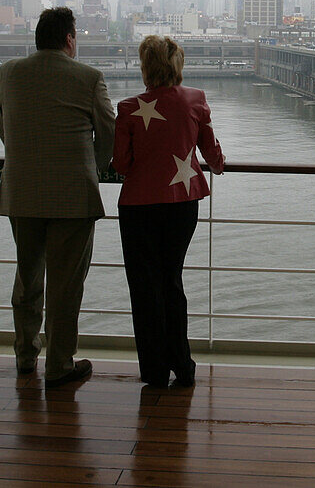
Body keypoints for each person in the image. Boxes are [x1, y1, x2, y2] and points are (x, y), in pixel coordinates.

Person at [0, 7, 116, 388]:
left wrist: (24, 159)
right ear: (69, 39)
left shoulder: (9, 72)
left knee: (27, 279)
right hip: (73, 198)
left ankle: (25, 356)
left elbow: (2, 125)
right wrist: (93, 168)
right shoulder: (89, 78)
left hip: (22, 193)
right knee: (65, 286)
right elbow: (109, 133)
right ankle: (60, 364)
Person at [113, 35, 225, 387]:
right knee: (172, 281)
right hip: (182, 204)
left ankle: (155, 371)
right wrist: (218, 166)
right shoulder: (195, 100)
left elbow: (121, 164)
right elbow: (212, 155)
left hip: (138, 209)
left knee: (145, 289)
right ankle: (183, 365)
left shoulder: (129, 108)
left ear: (145, 68)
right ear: (178, 66)